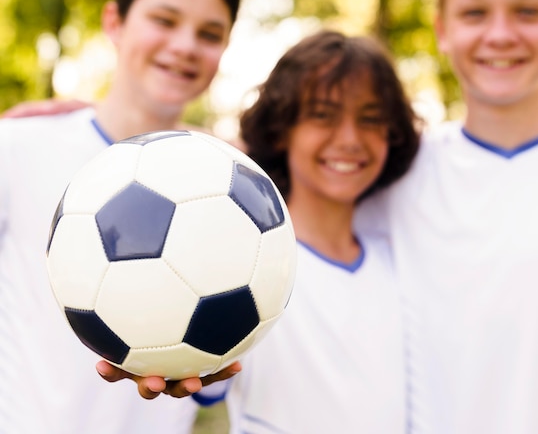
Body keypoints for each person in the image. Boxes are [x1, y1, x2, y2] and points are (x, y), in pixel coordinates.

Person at [95, 29, 422, 433]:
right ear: (281, 127)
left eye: (371, 119)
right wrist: (165, 365)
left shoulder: (400, 258)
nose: (350, 139)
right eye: (323, 115)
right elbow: (195, 365)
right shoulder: (243, 267)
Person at [355, 0, 538, 432]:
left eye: (526, 11)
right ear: (442, 29)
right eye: (475, 13)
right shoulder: (391, 180)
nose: (500, 35)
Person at [0, 0, 241, 432]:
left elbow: (218, 383)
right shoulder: (18, 147)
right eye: (164, 21)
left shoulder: (233, 193)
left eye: (209, 34)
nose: (185, 46)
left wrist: (206, 365)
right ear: (115, 22)